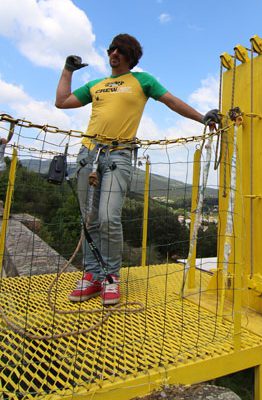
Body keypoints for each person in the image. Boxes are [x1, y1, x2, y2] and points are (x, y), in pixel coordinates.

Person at [55, 33, 219, 305]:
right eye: (111, 49)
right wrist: (68, 70)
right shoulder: (97, 84)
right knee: (90, 219)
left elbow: (171, 101)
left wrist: (202, 117)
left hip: (119, 155)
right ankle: (92, 276)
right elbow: (62, 102)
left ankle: (110, 278)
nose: (114, 53)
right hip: (88, 154)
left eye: (120, 50)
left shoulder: (143, 80)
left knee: (109, 217)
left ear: (131, 56)